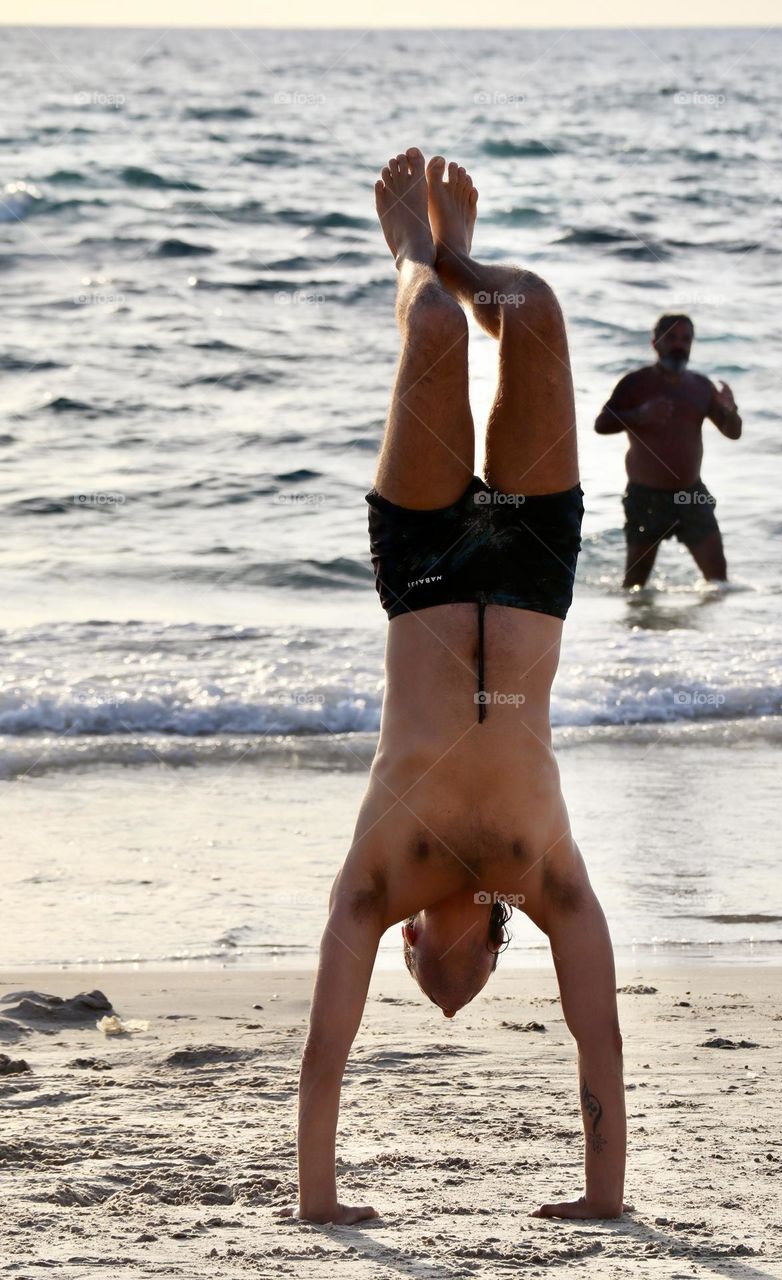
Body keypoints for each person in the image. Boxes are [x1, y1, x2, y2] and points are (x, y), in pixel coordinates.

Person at [290, 148, 626, 1227]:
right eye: (482, 972)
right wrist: (604, 1195)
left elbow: (322, 1057)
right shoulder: (544, 873)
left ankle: (412, 258)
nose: (454, 988)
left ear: (410, 939)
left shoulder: (375, 881)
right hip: (534, 565)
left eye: (433, 979)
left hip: (424, 565)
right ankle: (459, 259)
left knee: (432, 331)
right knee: (528, 310)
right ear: (488, 932)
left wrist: (320, 1200)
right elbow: (601, 1037)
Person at [595, 314, 742, 588]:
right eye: (672, 338)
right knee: (635, 586)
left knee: (720, 583)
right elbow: (601, 424)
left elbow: (733, 432)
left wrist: (730, 411)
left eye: (686, 339)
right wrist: (639, 414)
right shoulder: (635, 383)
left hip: (692, 495)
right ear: (655, 342)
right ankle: (636, 631)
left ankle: (715, 631)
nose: (679, 345)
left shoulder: (700, 386)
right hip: (646, 498)